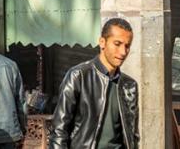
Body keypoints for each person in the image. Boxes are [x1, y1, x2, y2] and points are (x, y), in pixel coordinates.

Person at [50, 18, 139, 148]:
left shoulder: (129, 85)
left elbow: (132, 136)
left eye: (127, 46)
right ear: (102, 42)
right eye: (117, 44)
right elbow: (59, 131)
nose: (123, 52)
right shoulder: (78, 76)